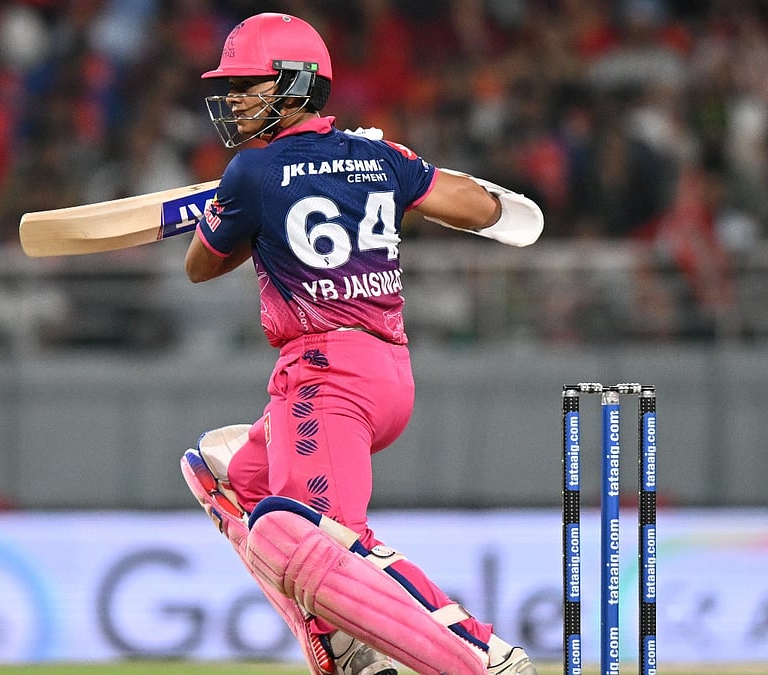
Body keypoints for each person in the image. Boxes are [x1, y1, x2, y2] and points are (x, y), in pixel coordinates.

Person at [181, 12, 542, 675]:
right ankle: (343, 640)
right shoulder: (381, 158)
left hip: (323, 378)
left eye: (245, 85)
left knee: (314, 537)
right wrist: (380, 167)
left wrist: (224, 210)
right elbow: (481, 208)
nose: (233, 101)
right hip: (387, 372)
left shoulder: (251, 172)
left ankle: (481, 654)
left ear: (293, 84)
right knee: (223, 475)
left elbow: (201, 265)